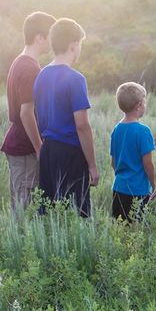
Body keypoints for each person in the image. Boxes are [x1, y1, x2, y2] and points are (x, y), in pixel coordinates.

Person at [34, 18, 100, 216]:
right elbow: (82, 126)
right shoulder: (76, 79)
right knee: (77, 213)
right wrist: (93, 166)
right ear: (74, 45)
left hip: (48, 151)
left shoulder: (42, 75)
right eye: (80, 44)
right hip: (70, 153)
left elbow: (38, 114)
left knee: (49, 214)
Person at [2, 11, 56, 211]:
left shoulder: (22, 61)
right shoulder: (30, 68)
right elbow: (26, 112)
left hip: (20, 145)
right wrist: (39, 148)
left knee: (22, 206)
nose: (53, 41)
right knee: (24, 210)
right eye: (51, 36)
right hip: (24, 148)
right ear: (39, 38)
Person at [110, 82, 156, 221]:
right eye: (144, 102)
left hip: (119, 188)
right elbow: (148, 164)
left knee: (120, 228)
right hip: (138, 191)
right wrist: (155, 186)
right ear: (138, 106)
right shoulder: (143, 131)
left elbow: (113, 163)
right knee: (136, 230)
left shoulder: (116, 130)